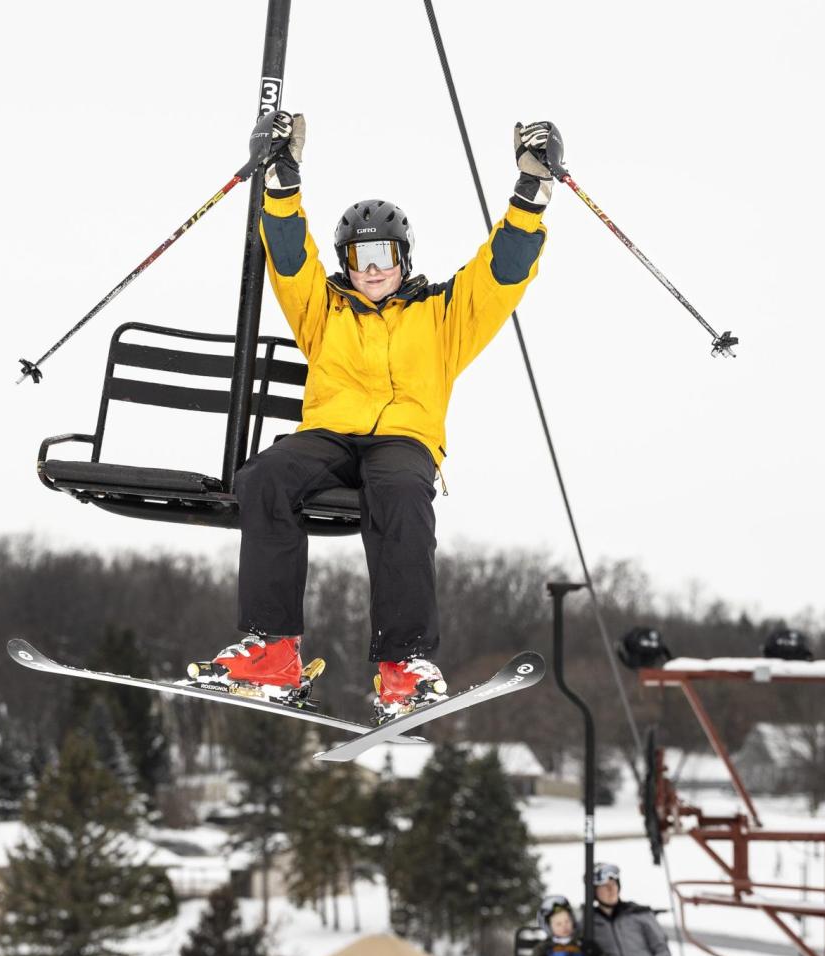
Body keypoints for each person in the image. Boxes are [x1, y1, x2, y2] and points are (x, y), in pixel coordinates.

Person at [194, 109, 557, 721]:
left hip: (402, 440)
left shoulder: (445, 314)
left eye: (383, 253)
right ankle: (273, 650)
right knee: (264, 478)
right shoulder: (323, 309)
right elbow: (287, 257)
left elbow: (503, 271)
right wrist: (282, 177)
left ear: (404, 256)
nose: (371, 268)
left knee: (400, 495)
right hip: (328, 434)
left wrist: (531, 194)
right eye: (359, 256)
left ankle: (404, 666)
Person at [585, 863, 670, 956]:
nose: (611, 889)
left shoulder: (639, 914)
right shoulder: (589, 924)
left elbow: (662, 949)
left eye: (614, 884)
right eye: (605, 886)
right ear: (594, 892)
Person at [533, 895, 603, 956]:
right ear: (548, 927)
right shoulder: (543, 949)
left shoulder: (582, 944)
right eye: (558, 924)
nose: (564, 926)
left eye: (567, 921)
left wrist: (597, 955)